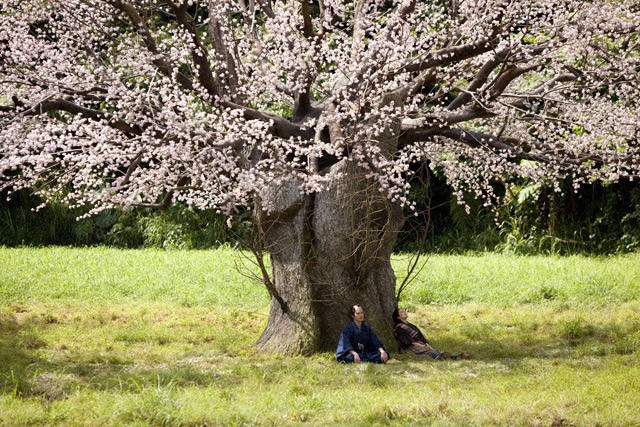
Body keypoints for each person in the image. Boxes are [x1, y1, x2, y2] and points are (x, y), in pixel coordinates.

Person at [392, 308, 470, 360]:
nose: (404, 312)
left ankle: (455, 356)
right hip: (411, 347)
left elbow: (420, 336)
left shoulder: (411, 325)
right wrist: (419, 345)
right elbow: (407, 342)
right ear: (398, 317)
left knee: (434, 351)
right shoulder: (399, 328)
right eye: (401, 312)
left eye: (404, 310)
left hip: (420, 344)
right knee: (429, 353)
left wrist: (426, 343)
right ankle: (451, 357)